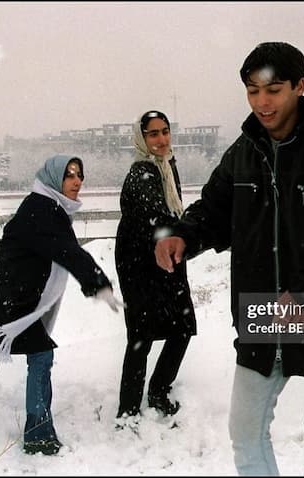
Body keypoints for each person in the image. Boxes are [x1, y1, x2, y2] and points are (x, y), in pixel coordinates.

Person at [154, 42, 304, 476]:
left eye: (274, 90)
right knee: (244, 433)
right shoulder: (244, 152)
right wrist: (183, 237)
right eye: (252, 91)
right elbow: (213, 209)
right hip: (266, 314)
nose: (262, 103)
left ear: (300, 86)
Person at [0, 155, 123, 456]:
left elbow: (61, 251)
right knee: (39, 352)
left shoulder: (48, 205)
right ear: (55, 179)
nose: (77, 182)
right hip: (9, 286)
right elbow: (68, 252)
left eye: (80, 175)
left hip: (7, 282)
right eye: (70, 175)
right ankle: (38, 432)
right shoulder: (43, 209)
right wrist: (98, 284)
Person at [114, 110, 197, 423]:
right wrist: (180, 235)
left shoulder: (166, 166)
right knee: (141, 335)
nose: (161, 139)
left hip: (165, 255)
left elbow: (169, 213)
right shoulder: (142, 172)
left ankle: (159, 389)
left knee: (182, 326)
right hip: (139, 261)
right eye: (153, 134)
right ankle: (128, 410)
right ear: (142, 138)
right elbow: (156, 215)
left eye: (165, 132)